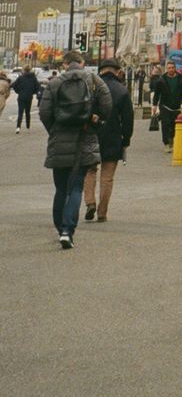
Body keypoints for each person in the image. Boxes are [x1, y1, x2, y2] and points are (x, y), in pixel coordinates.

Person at [39, 49, 112, 248]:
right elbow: (107, 104)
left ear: (65, 64)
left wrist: (54, 130)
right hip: (84, 138)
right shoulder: (94, 80)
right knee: (77, 186)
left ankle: (59, 226)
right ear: (81, 63)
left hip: (59, 140)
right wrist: (96, 123)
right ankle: (67, 230)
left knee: (61, 187)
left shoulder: (54, 83)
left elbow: (44, 113)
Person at [83, 59, 134, 223]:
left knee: (90, 171)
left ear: (101, 71)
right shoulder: (122, 90)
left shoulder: (92, 88)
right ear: (116, 71)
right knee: (107, 177)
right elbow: (128, 118)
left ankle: (90, 202)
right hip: (113, 136)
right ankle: (102, 212)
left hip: (91, 134)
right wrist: (126, 139)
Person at [151, 59, 182, 151]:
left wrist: (181, 99)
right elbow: (157, 93)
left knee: (174, 125)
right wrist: (154, 105)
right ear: (166, 69)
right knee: (165, 125)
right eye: (169, 68)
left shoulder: (180, 79)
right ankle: (166, 143)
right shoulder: (161, 80)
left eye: (172, 68)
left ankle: (172, 140)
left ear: (175, 68)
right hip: (165, 106)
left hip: (176, 107)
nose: (171, 69)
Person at [12, 62, 40, 132]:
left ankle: (18, 127)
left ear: (24, 70)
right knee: (28, 112)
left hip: (21, 97)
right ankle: (28, 126)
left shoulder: (20, 78)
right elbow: (37, 87)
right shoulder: (33, 78)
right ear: (30, 70)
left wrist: (18, 91)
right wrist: (32, 92)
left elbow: (14, 85)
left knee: (20, 112)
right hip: (29, 97)